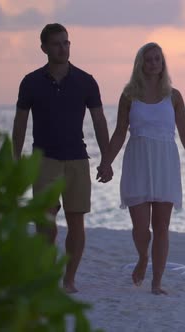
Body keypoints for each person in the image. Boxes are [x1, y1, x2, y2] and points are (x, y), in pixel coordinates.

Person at [12, 23, 112, 294]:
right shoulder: (31, 82)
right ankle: (47, 273)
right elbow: (20, 122)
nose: (63, 48)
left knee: (76, 220)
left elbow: (99, 120)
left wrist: (107, 159)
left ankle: (69, 279)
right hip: (44, 159)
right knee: (46, 222)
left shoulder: (85, 80)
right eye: (57, 43)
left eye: (66, 42)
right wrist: (15, 157)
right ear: (44, 48)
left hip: (77, 159)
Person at [98, 42, 185, 295]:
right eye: (149, 59)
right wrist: (107, 161)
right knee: (141, 227)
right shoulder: (129, 95)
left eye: (158, 59)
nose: (154, 63)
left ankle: (156, 282)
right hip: (138, 161)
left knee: (162, 226)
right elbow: (120, 132)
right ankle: (143, 257)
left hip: (165, 161)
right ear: (140, 64)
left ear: (162, 63)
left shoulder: (173, 96)